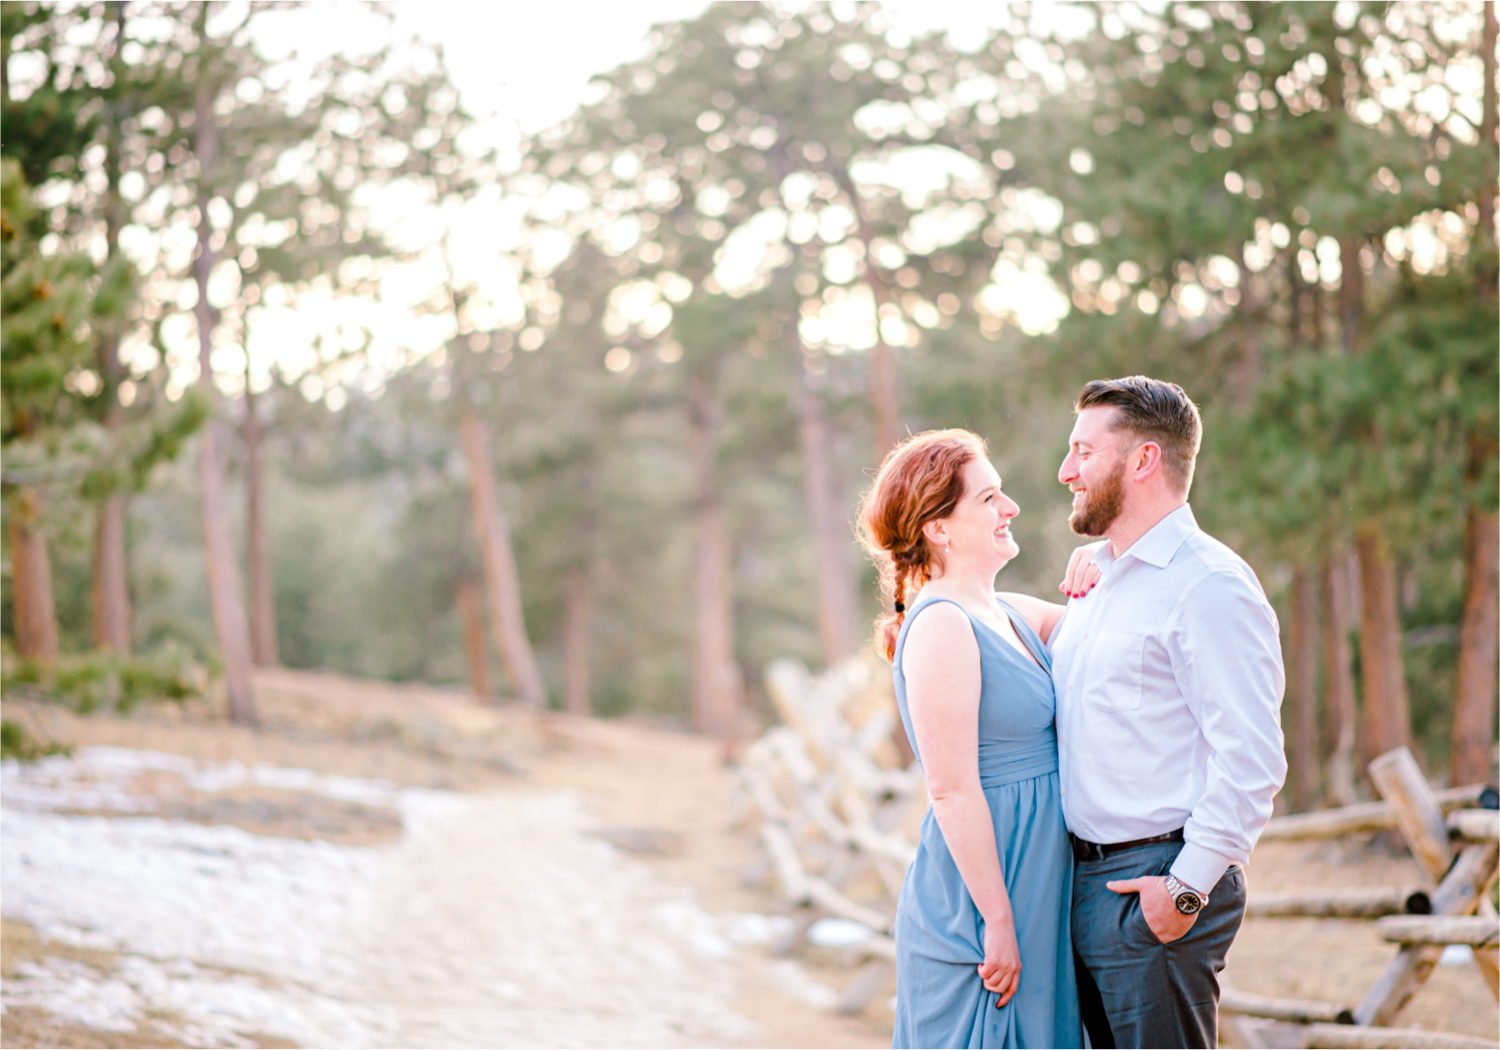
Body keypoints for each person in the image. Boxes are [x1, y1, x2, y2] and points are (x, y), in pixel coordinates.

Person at [1051, 376, 1287, 1049]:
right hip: (1082, 882)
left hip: (1155, 885)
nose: (1066, 471)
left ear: (1144, 460)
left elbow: (1253, 756)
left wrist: (1184, 892)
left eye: (1084, 453)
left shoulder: (1209, 585)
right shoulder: (1097, 580)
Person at [862, 428, 1097, 1050]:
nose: (1010, 507)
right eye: (989, 498)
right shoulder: (941, 623)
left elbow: (1107, 630)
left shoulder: (1012, 612)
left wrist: (1108, 559)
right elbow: (951, 789)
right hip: (982, 899)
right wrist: (996, 920)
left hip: (1038, 880)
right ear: (939, 528)